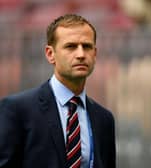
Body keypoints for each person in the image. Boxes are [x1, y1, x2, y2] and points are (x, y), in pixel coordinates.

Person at [0, 14, 116, 168]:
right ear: (50, 54)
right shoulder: (17, 110)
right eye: (71, 46)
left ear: (95, 54)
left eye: (87, 46)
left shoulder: (104, 119)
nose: (81, 54)